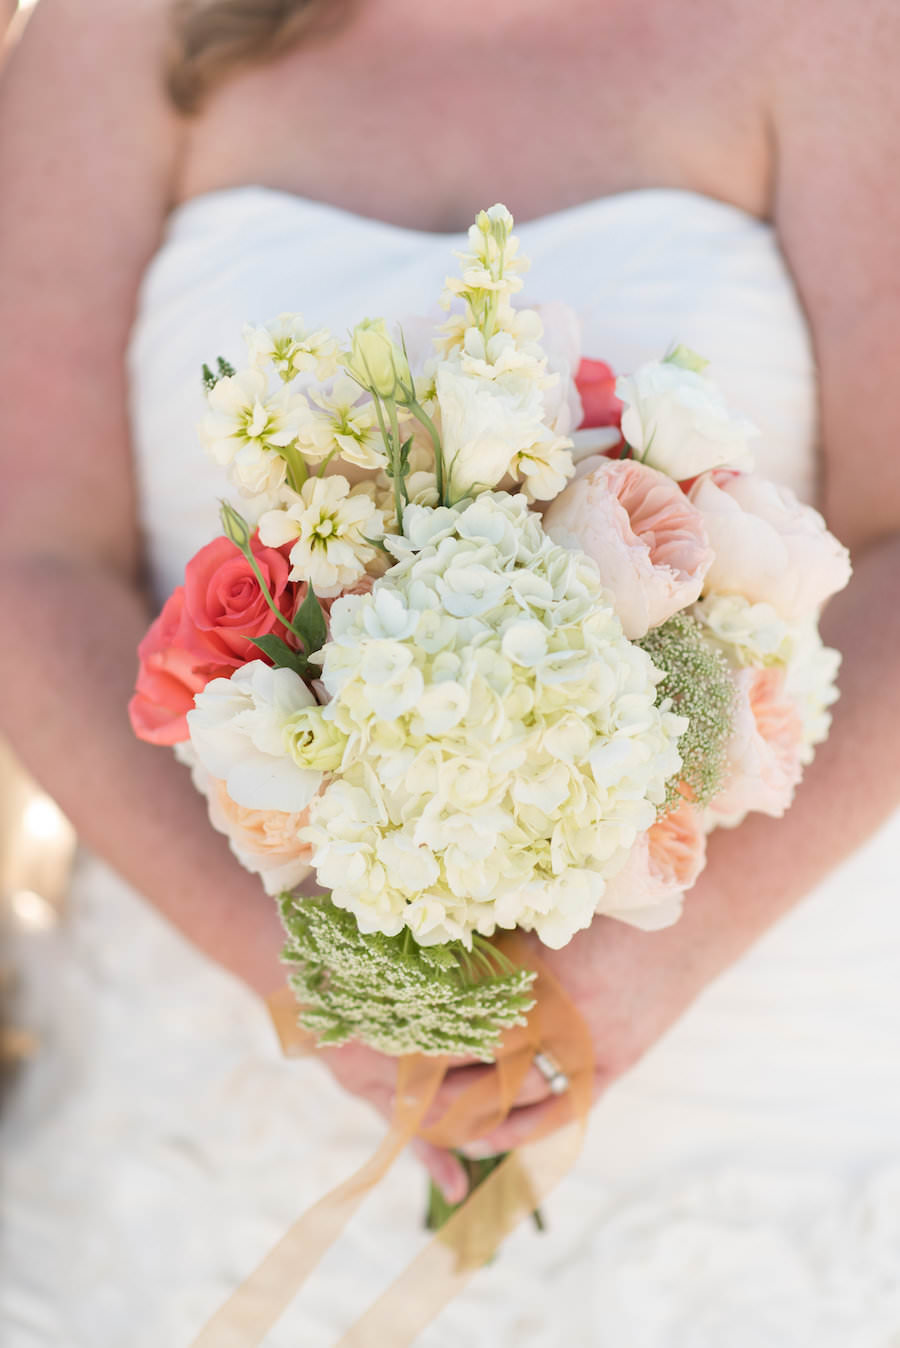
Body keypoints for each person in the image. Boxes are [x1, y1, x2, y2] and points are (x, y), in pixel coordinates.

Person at [2, 0, 899, 1342]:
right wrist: (322, 979)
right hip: (217, 1062)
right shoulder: (115, 33)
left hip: (751, 1045)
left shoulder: (834, 32)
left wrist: (664, 953)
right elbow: (32, 561)